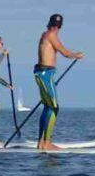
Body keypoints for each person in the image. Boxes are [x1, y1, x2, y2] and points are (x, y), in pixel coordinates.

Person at [34, 14, 84, 150]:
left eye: (57, 25)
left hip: (43, 73)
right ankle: (46, 143)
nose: (55, 27)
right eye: (55, 24)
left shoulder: (46, 34)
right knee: (54, 107)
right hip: (45, 74)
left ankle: (41, 143)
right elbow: (65, 53)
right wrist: (76, 55)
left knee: (47, 107)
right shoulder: (51, 35)